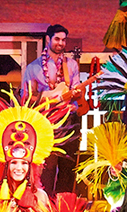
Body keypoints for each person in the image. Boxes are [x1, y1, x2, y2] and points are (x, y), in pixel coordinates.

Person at [19, 25, 83, 193]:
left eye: (63, 40)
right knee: (46, 166)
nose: (60, 43)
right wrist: (47, 98)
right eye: (57, 39)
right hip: (46, 121)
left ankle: (64, 208)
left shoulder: (71, 65)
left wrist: (74, 95)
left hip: (69, 120)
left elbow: (76, 92)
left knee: (68, 166)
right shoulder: (34, 67)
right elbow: (25, 97)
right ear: (48, 39)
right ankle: (43, 205)